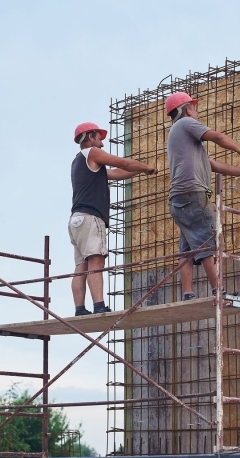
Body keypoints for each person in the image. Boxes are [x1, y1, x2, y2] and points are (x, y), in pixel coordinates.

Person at [164, 92, 240, 301]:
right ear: (187, 109)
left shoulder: (182, 139)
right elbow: (217, 137)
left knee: (188, 249)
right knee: (208, 243)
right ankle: (217, 291)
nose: (196, 111)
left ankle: (188, 293)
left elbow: (214, 164)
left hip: (179, 200)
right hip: (193, 195)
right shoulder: (186, 124)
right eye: (194, 107)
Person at [69, 122, 156, 316]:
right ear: (90, 136)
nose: (101, 143)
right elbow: (121, 163)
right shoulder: (91, 152)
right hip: (91, 217)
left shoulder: (78, 161)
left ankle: (80, 309)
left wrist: (142, 170)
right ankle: (99, 305)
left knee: (81, 266)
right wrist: (145, 165)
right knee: (96, 262)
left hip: (77, 219)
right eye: (99, 137)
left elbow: (116, 173)